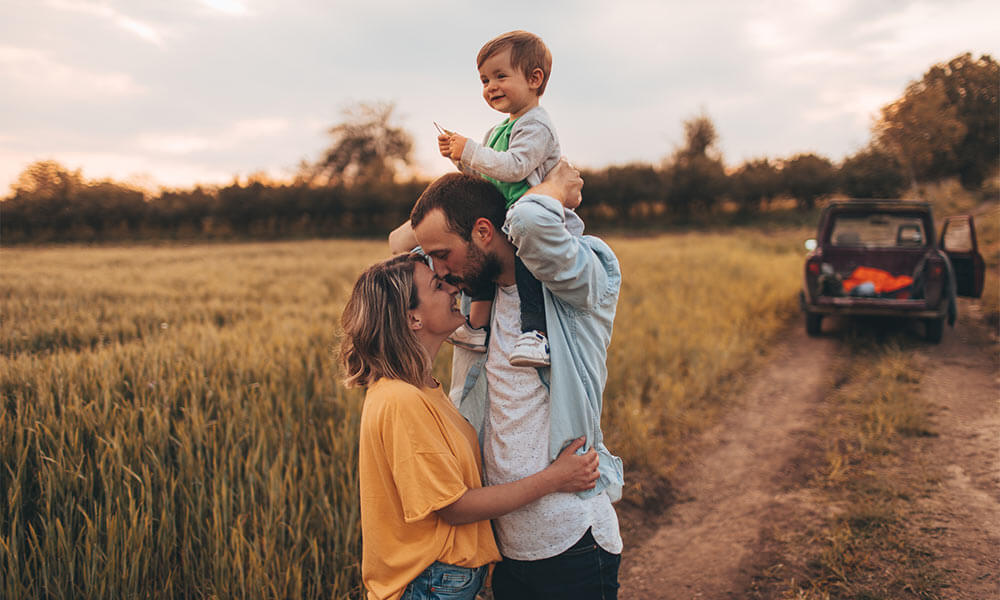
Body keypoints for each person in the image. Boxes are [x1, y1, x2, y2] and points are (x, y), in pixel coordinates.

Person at [405, 159, 624, 599]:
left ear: (484, 232)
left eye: (443, 254)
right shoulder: (474, 299)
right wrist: (479, 187)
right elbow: (399, 247)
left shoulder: (571, 283)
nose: (438, 271)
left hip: (572, 541)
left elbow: (526, 221)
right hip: (507, 548)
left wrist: (554, 185)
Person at [339, 252, 600, 600]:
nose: (452, 289)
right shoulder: (401, 400)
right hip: (429, 582)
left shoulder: (422, 389)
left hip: (441, 580)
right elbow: (455, 507)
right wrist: (554, 479)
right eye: (437, 285)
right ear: (413, 317)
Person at [440, 30, 585, 367]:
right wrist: (459, 159)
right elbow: (488, 178)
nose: (490, 87)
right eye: (484, 80)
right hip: (506, 218)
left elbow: (516, 167)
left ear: (534, 79)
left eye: (500, 76)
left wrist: (472, 150)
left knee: (527, 268)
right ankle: (477, 326)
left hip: (534, 221)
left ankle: (536, 334)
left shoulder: (537, 125)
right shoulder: (497, 131)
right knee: (478, 254)